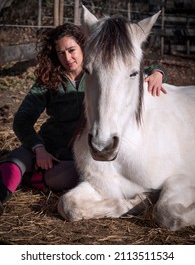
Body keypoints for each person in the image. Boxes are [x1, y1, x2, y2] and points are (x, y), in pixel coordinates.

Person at [0, 22, 168, 216]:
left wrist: (158, 72)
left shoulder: (101, 74)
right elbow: (22, 119)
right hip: (48, 146)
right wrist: (39, 149)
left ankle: (33, 178)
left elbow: (131, 70)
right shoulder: (49, 80)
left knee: (69, 176)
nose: (67, 57)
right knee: (18, 158)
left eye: (71, 50)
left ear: (83, 46)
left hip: (75, 155)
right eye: (60, 52)